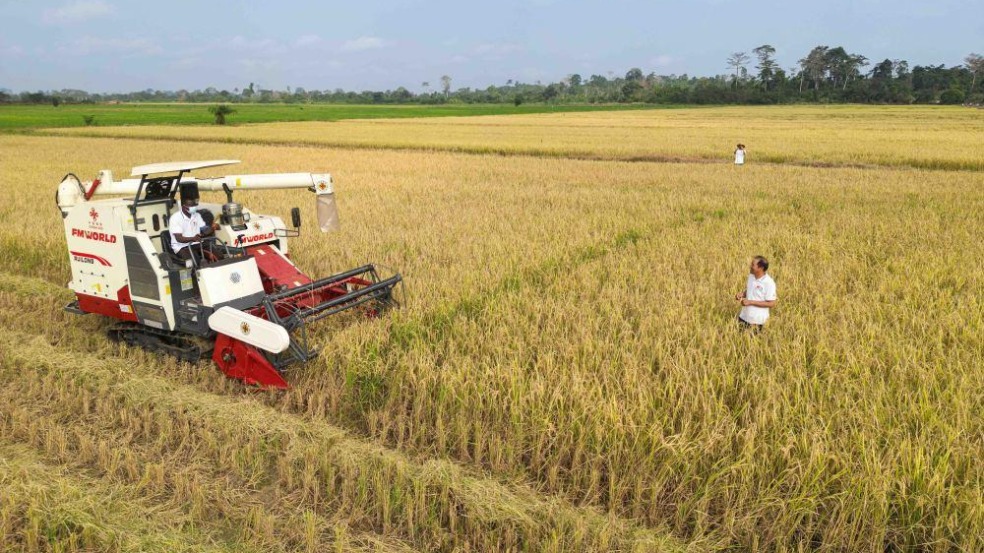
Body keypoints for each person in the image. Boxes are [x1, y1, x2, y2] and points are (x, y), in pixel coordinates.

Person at [169, 182, 219, 263]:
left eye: (194, 206)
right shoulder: (175, 218)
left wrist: (212, 228)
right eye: (191, 207)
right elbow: (179, 238)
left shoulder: (197, 216)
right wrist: (193, 238)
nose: (193, 208)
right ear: (184, 207)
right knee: (196, 262)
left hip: (197, 243)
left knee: (219, 256)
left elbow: (204, 230)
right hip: (182, 247)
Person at [736, 256, 777, 331]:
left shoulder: (769, 283)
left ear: (760, 268)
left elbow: (771, 303)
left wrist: (750, 302)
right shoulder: (751, 276)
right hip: (744, 317)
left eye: (752, 264)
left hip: (757, 321)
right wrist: (742, 294)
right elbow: (751, 290)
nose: (750, 266)